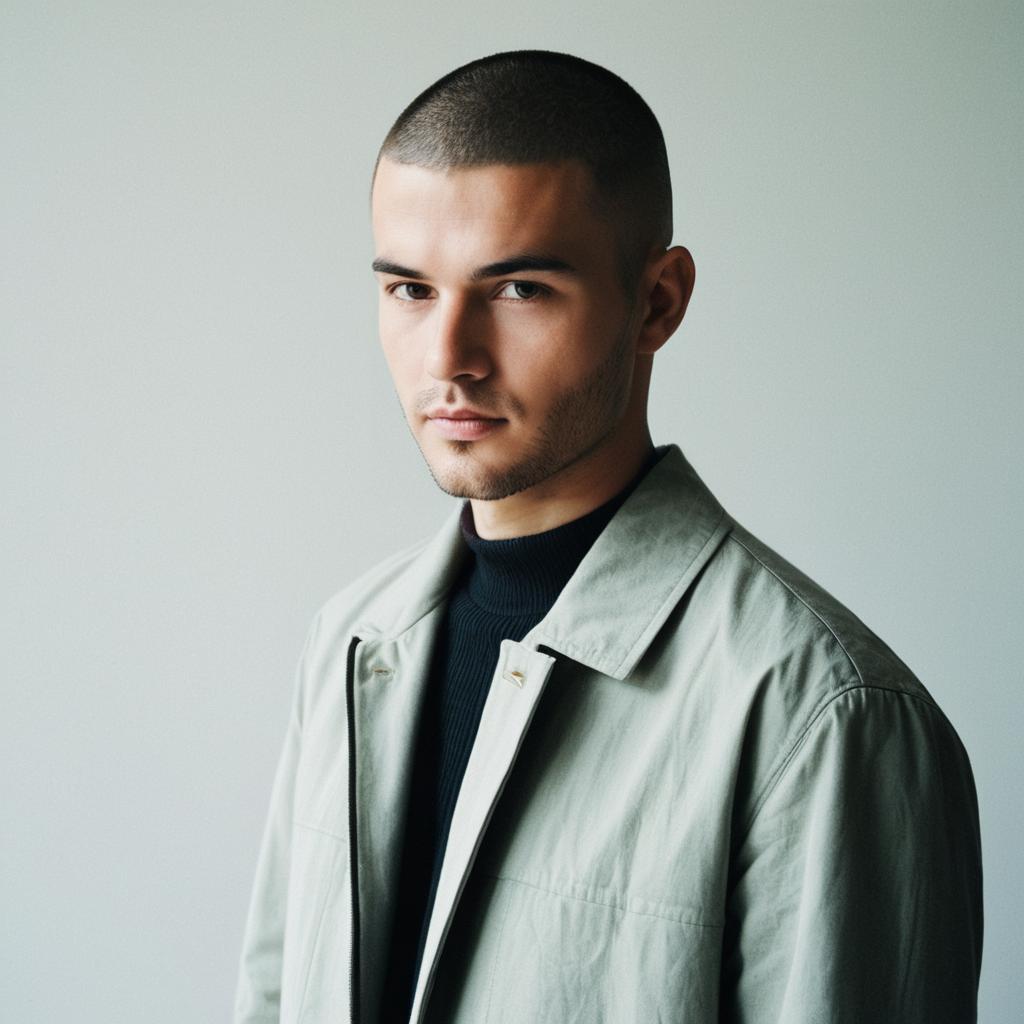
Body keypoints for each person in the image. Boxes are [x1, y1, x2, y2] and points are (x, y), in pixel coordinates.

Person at [234, 50, 983, 1024]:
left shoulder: (823, 713)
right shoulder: (350, 640)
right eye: (409, 290)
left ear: (658, 302)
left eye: (517, 290)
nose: (448, 359)